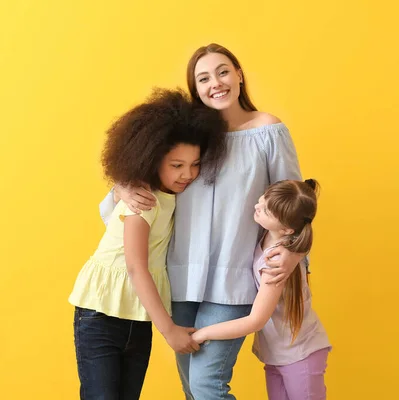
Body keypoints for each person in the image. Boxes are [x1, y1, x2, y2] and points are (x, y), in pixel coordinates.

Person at [99, 43, 305, 399]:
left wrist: (294, 253)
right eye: (204, 78)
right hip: (181, 281)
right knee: (191, 388)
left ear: (239, 74)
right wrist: (120, 188)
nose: (216, 83)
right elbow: (140, 179)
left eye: (223, 71)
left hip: (235, 279)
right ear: (196, 89)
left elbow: (297, 207)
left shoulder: (269, 131)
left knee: (207, 385)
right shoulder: (190, 137)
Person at [69, 88, 227, 400]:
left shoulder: (174, 197)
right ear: (151, 158)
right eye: (177, 165)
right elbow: (135, 266)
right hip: (100, 315)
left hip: (138, 319)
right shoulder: (143, 200)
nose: (188, 174)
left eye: (195, 164)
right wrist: (170, 330)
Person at [192, 179, 331, 400]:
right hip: (278, 354)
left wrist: (204, 333)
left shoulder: (275, 263)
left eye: (266, 209)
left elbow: (255, 321)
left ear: (286, 229)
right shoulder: (273, 238)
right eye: (263, 198)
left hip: (300, 354)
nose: (257, 205)